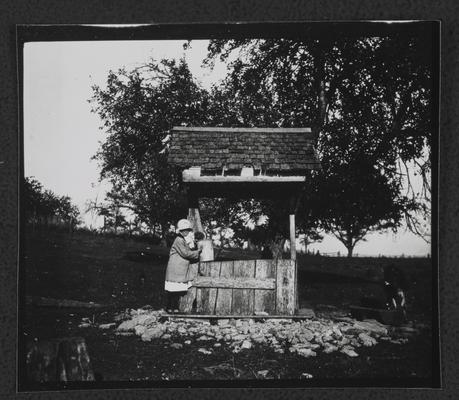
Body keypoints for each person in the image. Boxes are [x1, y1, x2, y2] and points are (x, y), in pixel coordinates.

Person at [164, 219, 202, 313]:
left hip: (179, 268)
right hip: (176, 267)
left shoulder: (182, 240)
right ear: (180, 231)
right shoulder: (179, 240)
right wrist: (198, 252)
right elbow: (185, 253)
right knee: (173, 289)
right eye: (184, 230)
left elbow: (188, 250)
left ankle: (174, 307)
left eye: (188, 230)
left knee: (176, 289)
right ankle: (169, 307)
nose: (187, 232)